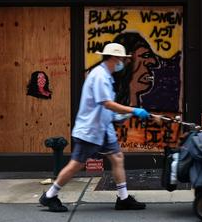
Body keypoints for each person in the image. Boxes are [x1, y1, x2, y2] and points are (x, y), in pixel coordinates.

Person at [39, 42, 151, 212]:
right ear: (114, 58)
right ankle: (49, 196)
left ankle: (123, 198)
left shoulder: (105, 75)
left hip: (103, 129)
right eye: (122, 59)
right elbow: (107, 103)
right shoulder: (99, 76)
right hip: (90, 131)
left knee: (117, 158)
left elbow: (104, 108)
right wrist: (133, 110)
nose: (124, 62)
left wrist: (124, 115)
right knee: (76, 165)